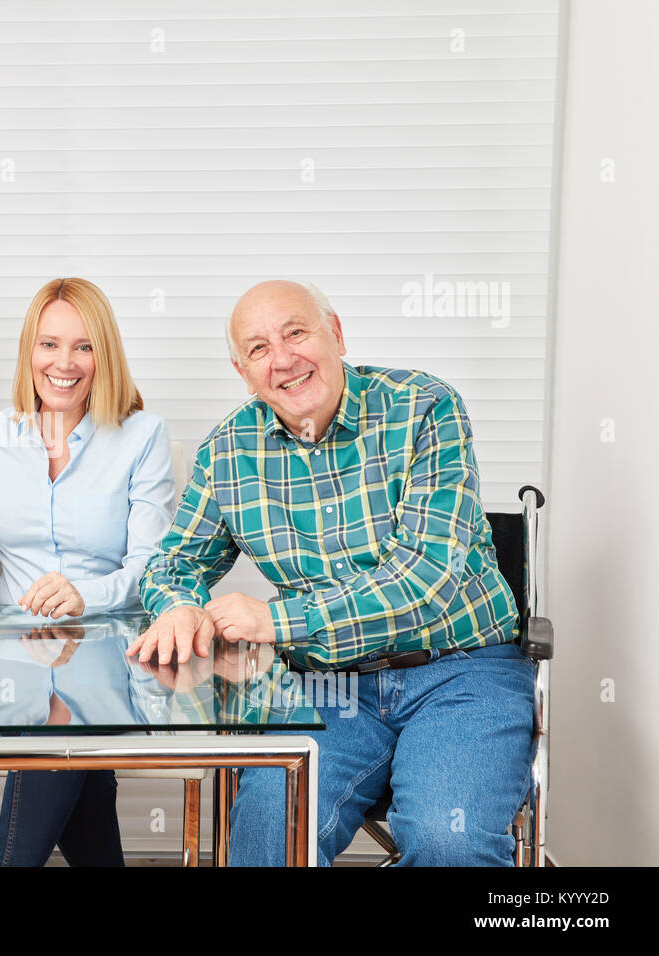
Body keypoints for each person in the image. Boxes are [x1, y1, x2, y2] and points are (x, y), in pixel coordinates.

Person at [131, 279, 535, 866]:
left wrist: (274, 618)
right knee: (268, 833)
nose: (284, 358)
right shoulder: (228, 450)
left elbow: (422, 579)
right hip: (329, 687)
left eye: (296, 332)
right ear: (243, 371)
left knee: (450, 841)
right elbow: (173, 562)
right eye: (260, 348)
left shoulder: (424, 407)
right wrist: (180, 604)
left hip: (461, 672)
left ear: (336, 334)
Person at [0, 277, 176, 866]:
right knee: (82, 796)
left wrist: (84, 595)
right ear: (28, 352)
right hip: (15, 660)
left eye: (83, 347)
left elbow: (153, 567)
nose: (64, 363)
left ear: (103, 354)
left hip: (109, 654)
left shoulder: (142, 436)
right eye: (49, 344)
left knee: (58, 747)